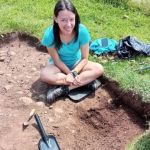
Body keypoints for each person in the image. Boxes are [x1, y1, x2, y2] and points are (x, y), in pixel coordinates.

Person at [40, 0, 104, 104]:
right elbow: (56, 60)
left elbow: (84, 59)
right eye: (63, 20)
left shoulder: (82, 31)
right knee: (44, 75)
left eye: (71, 19)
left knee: (99, 68)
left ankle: (64, 89)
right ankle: (84, 82)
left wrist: (74, 73)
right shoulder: (49, 35)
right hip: (58, 66)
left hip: (77, 63)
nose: (68, 24)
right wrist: (69, 74)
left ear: (76, 18)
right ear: (56, 19)